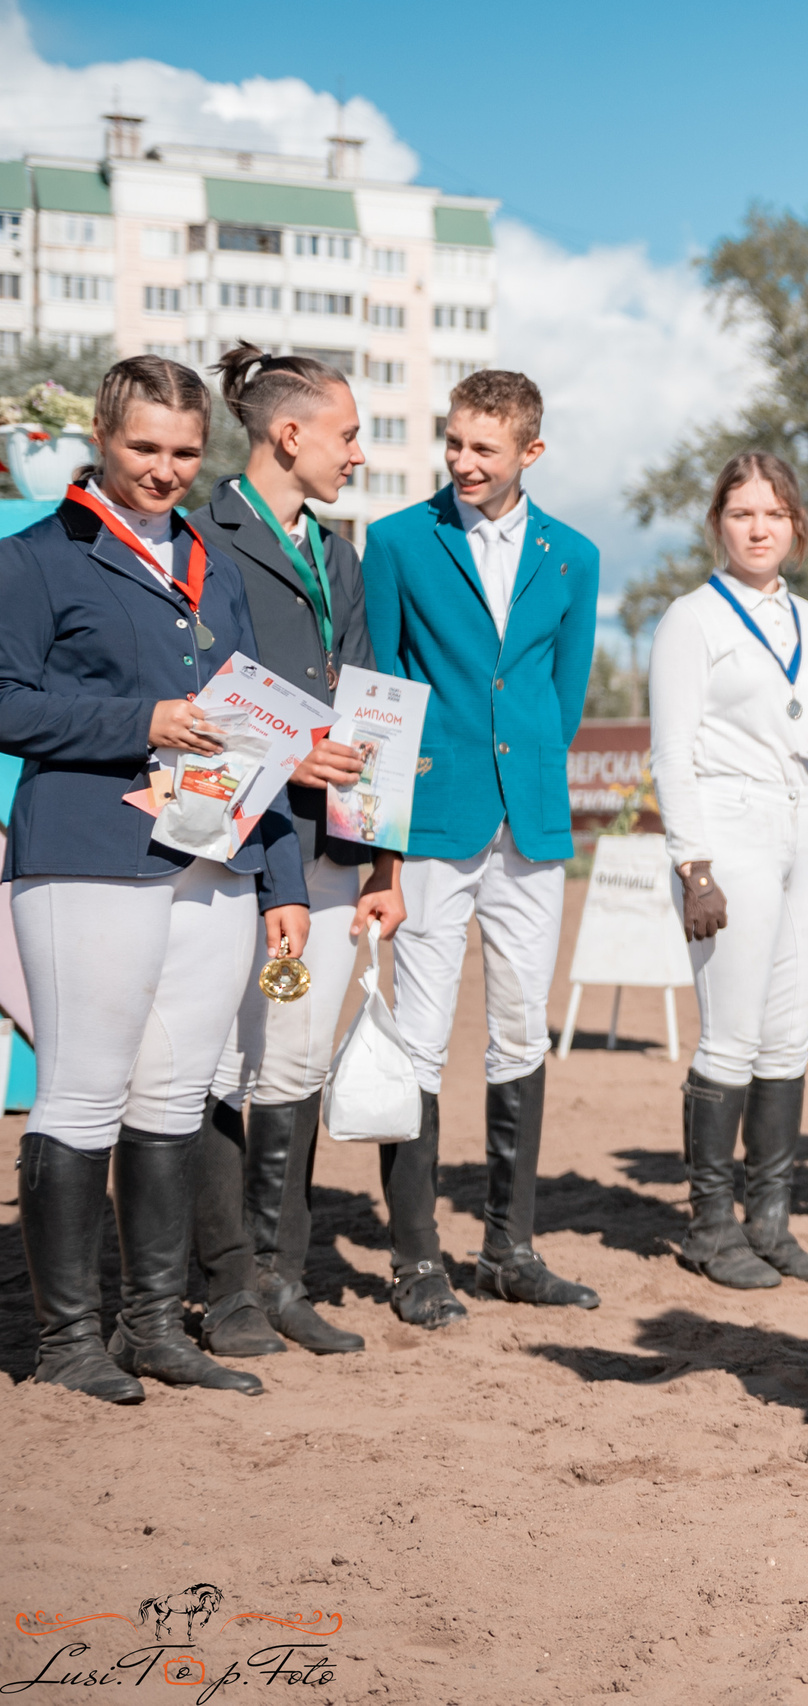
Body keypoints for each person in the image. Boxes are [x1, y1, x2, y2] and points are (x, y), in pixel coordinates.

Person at [0, 354, 311, 1402]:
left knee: (178, 1091)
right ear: (100, 434)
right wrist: (137, 722)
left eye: (185, 452)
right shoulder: (38, 557)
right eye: (144, 447)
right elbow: (4, 701)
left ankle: (152, 1325)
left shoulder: (212, 562)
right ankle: (66, 1339)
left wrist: (282, 878)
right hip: (88, 850)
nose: (165, 470)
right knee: (84, 1088)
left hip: (213, 856)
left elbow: (247, 718)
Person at [363, 370, 600, 1324]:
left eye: (484, 449)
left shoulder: (574, 555)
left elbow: (563, 693)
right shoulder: (395, 542)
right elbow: (378, 687)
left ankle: (511, 1249)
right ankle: (416, 1262)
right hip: (432, 819)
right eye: (453, 443)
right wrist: (384, 837)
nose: (463, 462)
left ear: (529, 454)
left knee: (518, 1030)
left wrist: (528, 777)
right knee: (419, 1036)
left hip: (530, 823)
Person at [193, 346, 407, 1358]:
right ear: (292, 434)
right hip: (234, 848)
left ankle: (280, 1277)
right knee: (223, 1063)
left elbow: (368, 709)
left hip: (326, 848)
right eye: (350, 433)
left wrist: (382, 861)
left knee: (297, 1059)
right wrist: (289, 752)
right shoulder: (205, 537)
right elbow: (203, 703)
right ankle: (224, 1285)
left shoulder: (339, 551)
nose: (357, 453)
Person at [648, 451, 808, 1290]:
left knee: (790, 1035)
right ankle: (709, 1224)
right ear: (718, 526)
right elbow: (672, 751)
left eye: (773, 513)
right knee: (731, 1034)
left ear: (796, 526)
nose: (758, 528)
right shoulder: (691, 619)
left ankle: (771, 1219)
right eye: (741, 514)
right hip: (731, 831)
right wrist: (693, 864)